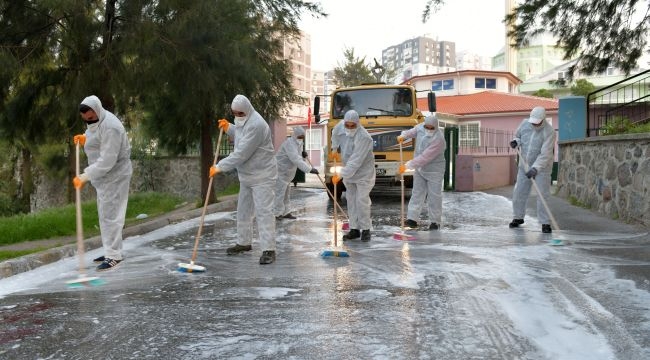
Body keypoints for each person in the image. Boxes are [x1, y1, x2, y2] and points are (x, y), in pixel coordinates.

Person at [210, 94, 278, 264]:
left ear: (247, 109)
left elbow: (241, 153)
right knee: (243, 211)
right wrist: (229, 128)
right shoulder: (244, 121)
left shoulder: (257, 124)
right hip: (247, 176)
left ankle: (269, 249)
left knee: (264, 212)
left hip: (262, 175)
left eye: (240, 114)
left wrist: (220, 166)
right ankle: (244, 242)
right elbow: (241, 133)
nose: (238, 116)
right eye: (235, 114)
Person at [73, 95, 132, 271]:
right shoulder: (98, 121)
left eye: (90, 119)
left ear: (97, 111)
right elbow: (94, 132)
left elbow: (107, 160)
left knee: (111, 216)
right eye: (85, 121)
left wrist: (85, 175)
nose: (89, 122)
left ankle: (114, 256)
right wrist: (85, 138)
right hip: (104, 178)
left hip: (115, 175)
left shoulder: (111, 127)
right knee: (105, 215)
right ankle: (110, 251)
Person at [508, 106, 556, 233]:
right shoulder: (524, 124)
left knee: (542, 195)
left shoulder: (549, 131)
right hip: (524, 165)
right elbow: (518, 136)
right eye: (533, 121)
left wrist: (536, 168)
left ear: (543, 119)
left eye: (537, 122)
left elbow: (546, 154)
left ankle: (545, 223)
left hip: (542, 168)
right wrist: (515, 141)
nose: (534, 124)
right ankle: (518, 217)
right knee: (519, 191)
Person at [397, 114, 446, 230]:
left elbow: (425, 157)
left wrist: (408, 165)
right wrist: (403, 136)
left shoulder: (439, 139)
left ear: (436, 127)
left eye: (431, 128)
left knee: (434, 196)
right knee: (417, 193)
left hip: (434, 170)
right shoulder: (420, 127)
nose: (428, 130)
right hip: (420, 168)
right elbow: (412, 132)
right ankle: (412, 219)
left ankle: (435, 221)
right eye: (427, 127)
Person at [332, 110, 375, 241]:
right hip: (348, 170)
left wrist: (341, 174)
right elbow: (334, 133)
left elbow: (356, 161)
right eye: (347, 125)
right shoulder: (341, 125)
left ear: (358, 124)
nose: (349, 128)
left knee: (361, 200)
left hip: (363, 172)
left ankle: (366, 229)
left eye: (353, 126)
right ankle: (354, 229)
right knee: (351, 200)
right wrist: (334, 148)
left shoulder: (364, 138)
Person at [274, 126, 319, 219]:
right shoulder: (289, 144)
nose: (301, 139)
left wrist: (303, 154)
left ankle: (286, 212)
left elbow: (299, 157)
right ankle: (277, 213)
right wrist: (309, 169)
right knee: (279, 193)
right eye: (299, 137)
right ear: (295, 135)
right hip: (280, 171)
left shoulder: (299, 143)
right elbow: (295, 159)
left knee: (286, 194)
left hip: (287, 173)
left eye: (302, 137)